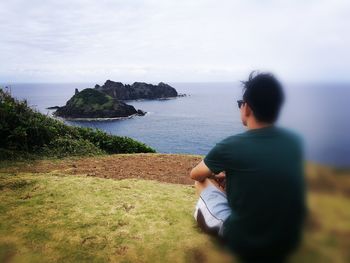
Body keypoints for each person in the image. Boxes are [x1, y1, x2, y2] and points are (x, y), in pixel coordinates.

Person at [190, 72, 307, 262]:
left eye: (240, 103)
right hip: (286, 237)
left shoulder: (230, 146)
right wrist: (230, 172)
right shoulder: (293, 142)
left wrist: (220, 171)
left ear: (247, 108)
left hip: (245, 240)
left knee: (202, 182)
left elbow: (195, 174)